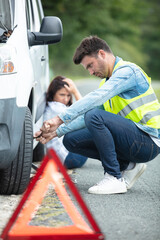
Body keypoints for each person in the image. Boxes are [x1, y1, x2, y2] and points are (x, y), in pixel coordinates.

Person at [35, 36, 160, 195]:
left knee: (95, 116)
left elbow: (96, 101)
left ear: (102, 54)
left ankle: (114, 177)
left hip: (148, 141)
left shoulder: (128, 72)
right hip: (132, 139)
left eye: (90, 65)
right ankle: (128, 166)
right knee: (71, 139)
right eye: (87, 69)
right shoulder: (108, 82)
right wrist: (57, 131)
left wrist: (59, 118)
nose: (91, 72)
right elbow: (85, 117)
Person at [43, 75, 87, 169]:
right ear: (52, 94)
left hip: (58, 157)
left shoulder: (50, 106)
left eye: (68, 95)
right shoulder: (58, 108)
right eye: (62, 95)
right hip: (68, 158)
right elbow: (86, 111)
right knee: (93, 126)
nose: (66, 99)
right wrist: (75, 91)